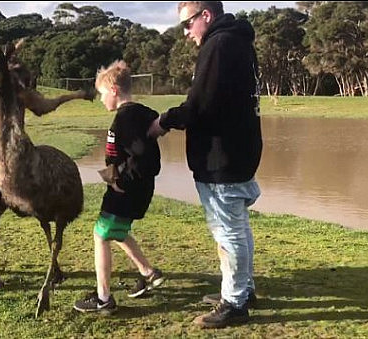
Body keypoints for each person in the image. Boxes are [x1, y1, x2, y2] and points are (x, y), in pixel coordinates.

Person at [148, 1, 263, 328]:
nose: (185, 33)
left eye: (187, 24)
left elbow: (199, 104)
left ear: (206, 16)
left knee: (228, 230)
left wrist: (164, 122)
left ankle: (236, 303)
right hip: (236, 150)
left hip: (222, 156)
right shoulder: (237, 41)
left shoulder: (219, 44)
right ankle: (242, 289)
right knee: (237, 226)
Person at [74, 60, 165, 314]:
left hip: (127, 190)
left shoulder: (124, 119)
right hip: (135, 188)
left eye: (103, 94)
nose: (102, 100)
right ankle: (149, 273)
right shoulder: (140, 113)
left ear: (113, 90)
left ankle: (103, 298)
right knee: (117, 230)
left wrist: (121, 181)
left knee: (100, 234)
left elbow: (143, 155)